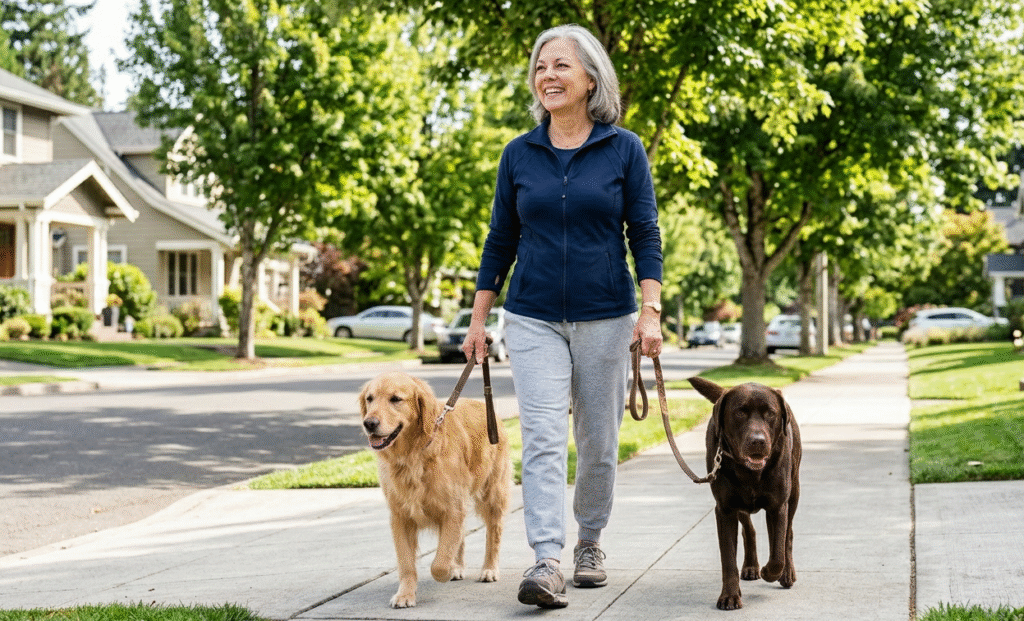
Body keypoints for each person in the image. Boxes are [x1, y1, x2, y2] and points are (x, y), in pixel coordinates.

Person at [461, 23, 663, 609]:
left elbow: (645, 234)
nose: (547, 76)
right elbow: (500, 240)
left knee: (598, 441)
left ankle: (590, 543)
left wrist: (649, 311)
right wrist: (479, 320)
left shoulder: (624, 149)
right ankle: (546, 558)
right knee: (544, 439)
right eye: (541, 67)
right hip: (532, 317)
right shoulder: (518, 154)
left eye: (560, 66)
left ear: (590, 79)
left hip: (606, 315)